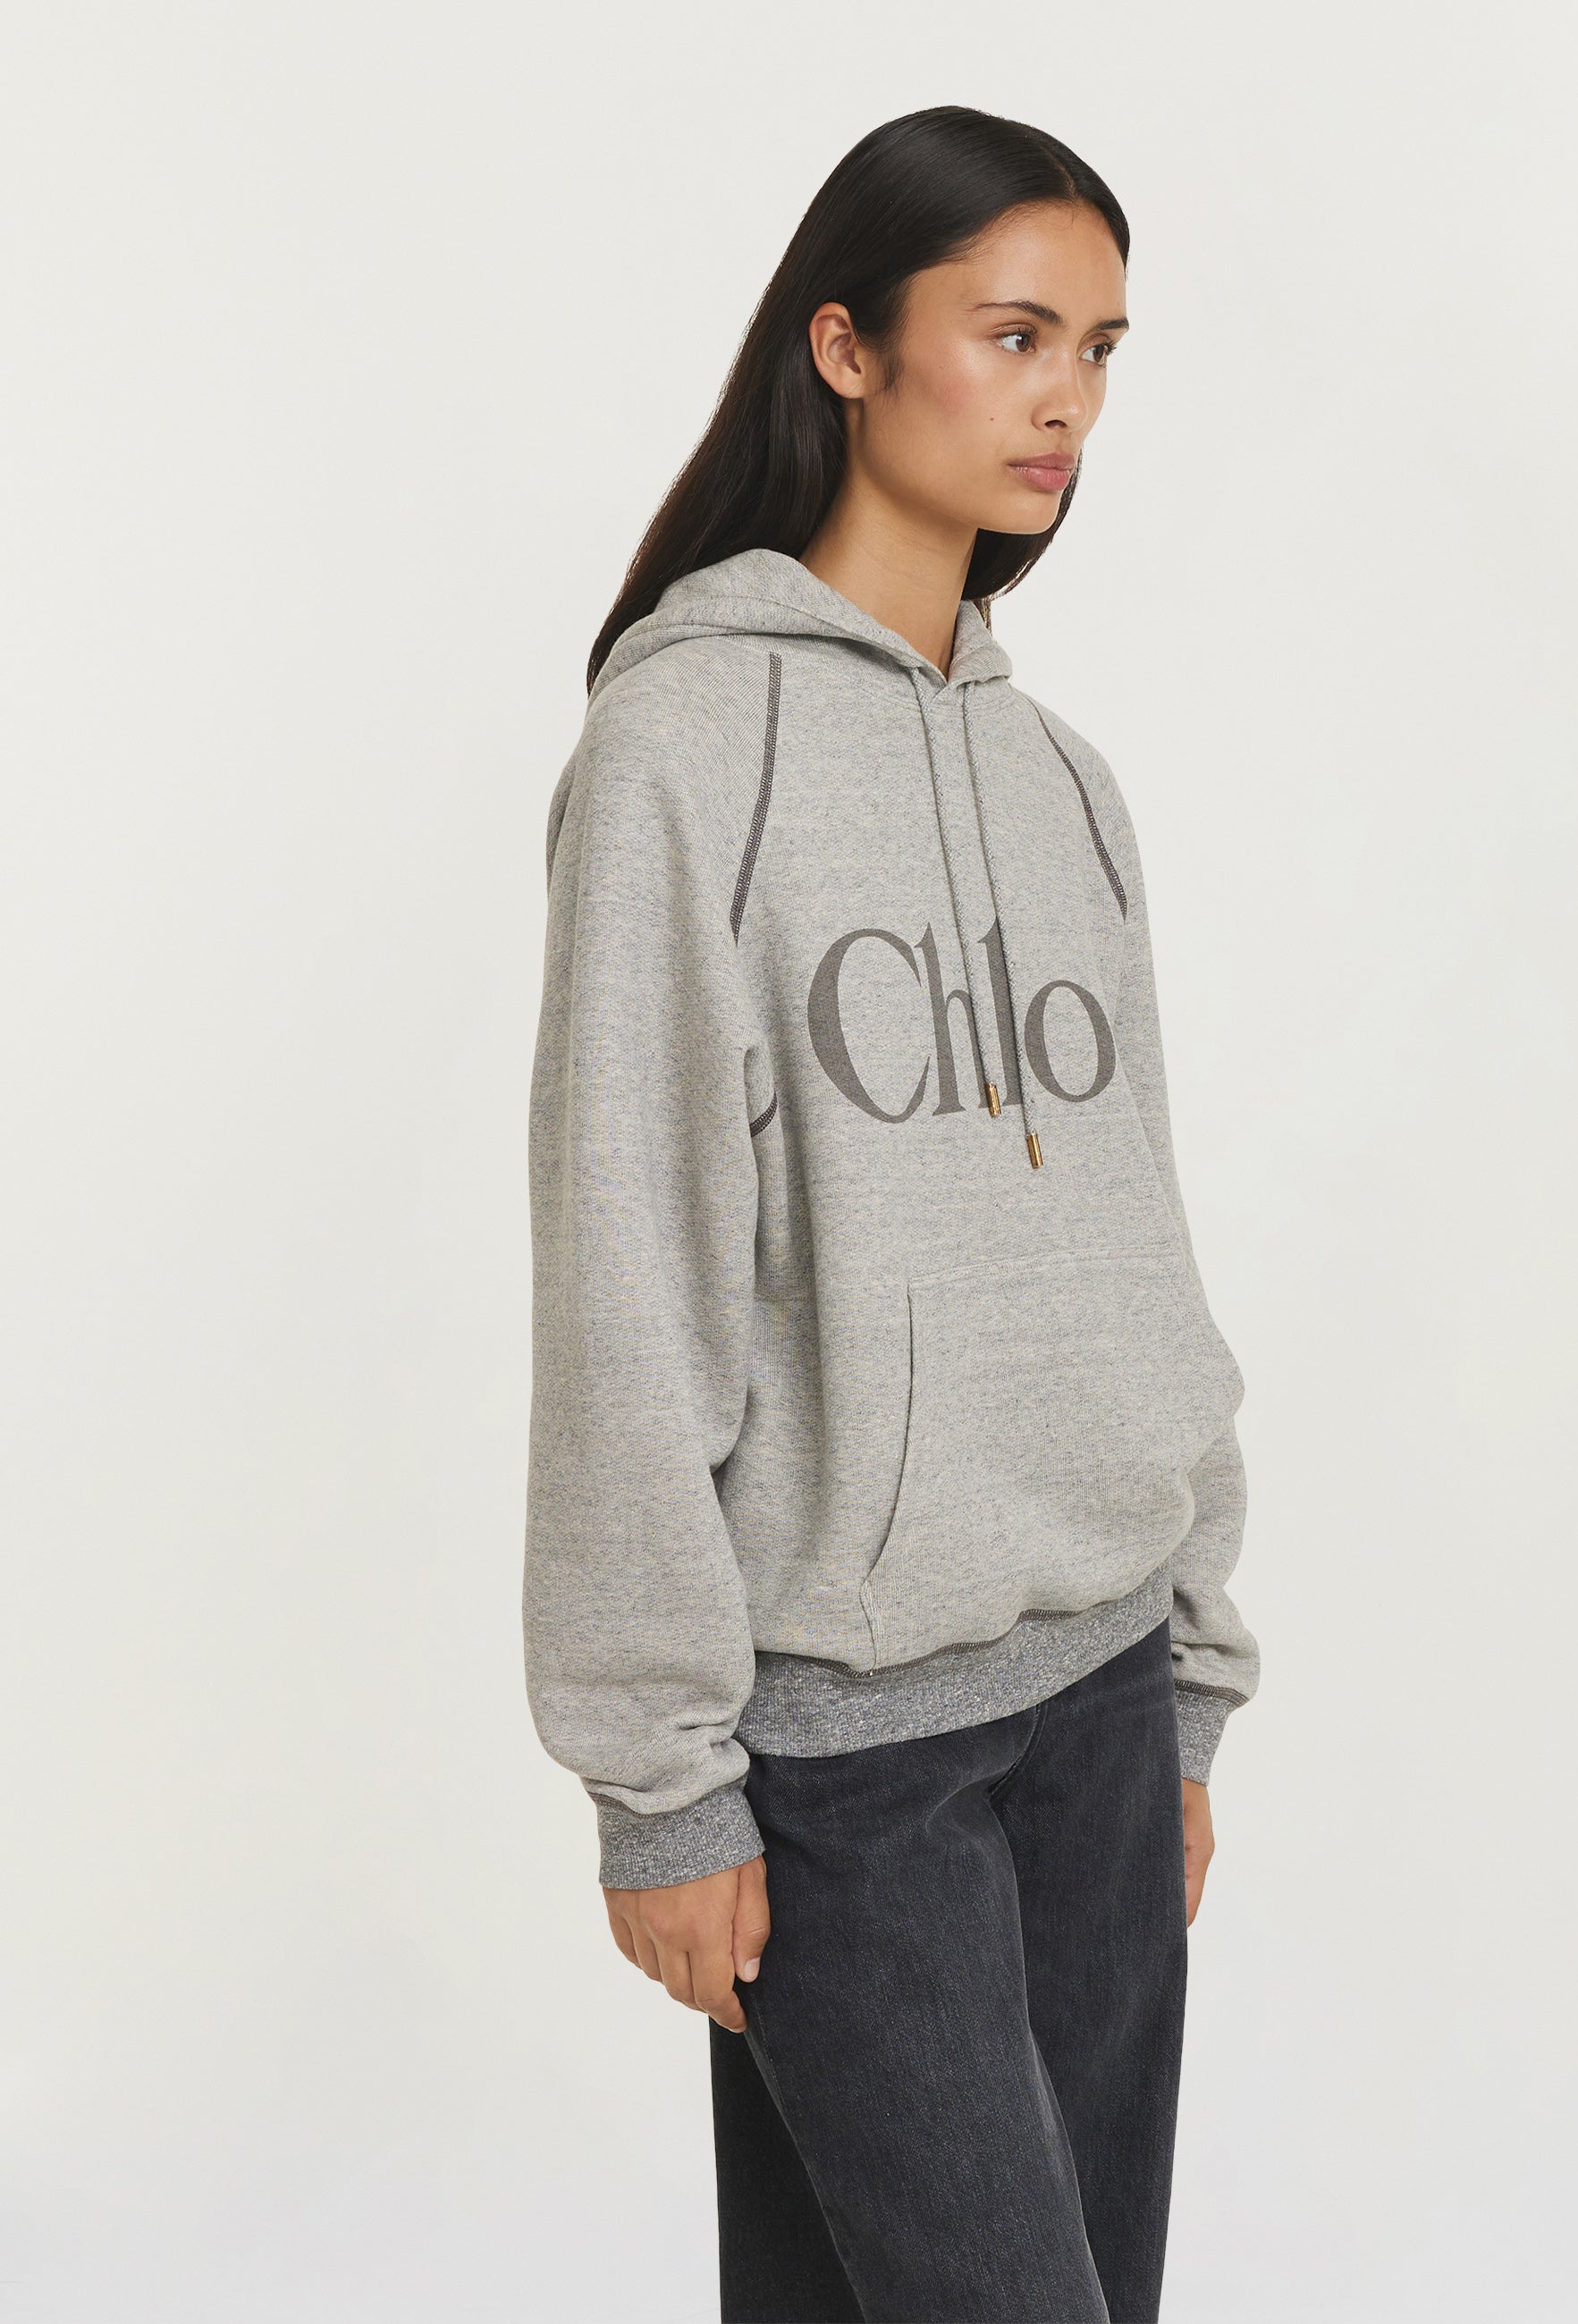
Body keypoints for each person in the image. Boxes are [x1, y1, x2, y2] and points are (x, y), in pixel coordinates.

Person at [524, 105, 1259, 2324]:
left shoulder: (1063, 782)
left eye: (1098, 349)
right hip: (851, 1755)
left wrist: (1186, 1669)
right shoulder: (682, 752)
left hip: (1099, 1703)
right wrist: (660, 1782)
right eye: (1011, 333)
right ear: (843, 348)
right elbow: (628, 1275)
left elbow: (1135, 1236)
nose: (1064, 400)